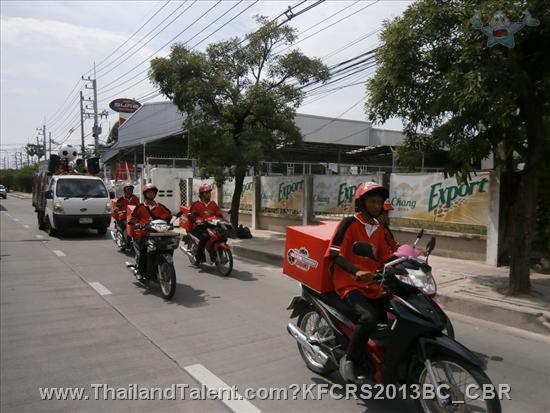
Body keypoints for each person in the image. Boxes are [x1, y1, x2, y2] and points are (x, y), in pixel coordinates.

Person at [329, 181, 396, 382]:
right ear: (362, 203)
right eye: (372, 201)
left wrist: (407, 263)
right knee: (369, 316)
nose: (377, 206)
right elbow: (335, 254)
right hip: (349, 282)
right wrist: (356, 270)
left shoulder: (378, 228)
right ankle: (350, 359)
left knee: (396, 310)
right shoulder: (349, 223)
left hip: (372, 283)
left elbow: (385, 256)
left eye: (379, 202)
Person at [129, 183, 172, 282]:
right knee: (144, 250)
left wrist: (166, 222)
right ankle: (141, 271)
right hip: (145, 234)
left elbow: (168, 216)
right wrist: (137, 224)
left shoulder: (160, 206)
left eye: (153, 192)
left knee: (169, 245)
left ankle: (164, 265)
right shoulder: (140, 207)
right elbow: (133, 218)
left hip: (159, 234)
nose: (151, 194)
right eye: (149, 193)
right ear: (145, 194)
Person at [189, 183, 222, 263]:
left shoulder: (213, 204)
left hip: (212, 226)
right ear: (202, 194)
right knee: (204, 237)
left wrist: (221, 219)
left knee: (221, 235)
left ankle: (215, 254)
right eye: (206, 193)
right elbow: (190, 215)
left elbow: (219, 214)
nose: (209, 194)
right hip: (201, 227)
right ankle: (198, 256)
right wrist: (196, 220)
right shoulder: (196, 204)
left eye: (209, 192)